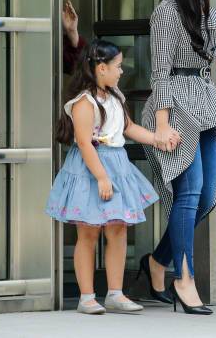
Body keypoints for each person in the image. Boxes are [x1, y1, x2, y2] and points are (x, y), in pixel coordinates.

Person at [139, 0, 216, 316]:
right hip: (173, 106)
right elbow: (159, 73)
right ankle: (184, 278)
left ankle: (157, 262)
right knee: (188, 191)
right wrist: (161, 126)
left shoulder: (209, 11)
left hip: (204, 102)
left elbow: (206, 56)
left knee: (207, 193)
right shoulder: (166, 13)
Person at [46, 39, 160, 314]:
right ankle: (87, 296)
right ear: (100, 68)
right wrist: (101, 177)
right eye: (117, 66)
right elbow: (84, 143)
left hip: (116, 165)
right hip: (91, 169)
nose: (121, 71)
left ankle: (115, 293)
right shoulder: (84, 103)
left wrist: (157, 139)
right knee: (88, 231)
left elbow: (129, 128)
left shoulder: (115, 96)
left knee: (118, 229)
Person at [0, 0, 86, 147]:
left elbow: (77, 68)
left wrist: (72, 32)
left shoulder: (45, 36)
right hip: (7, 114)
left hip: (42, 113)